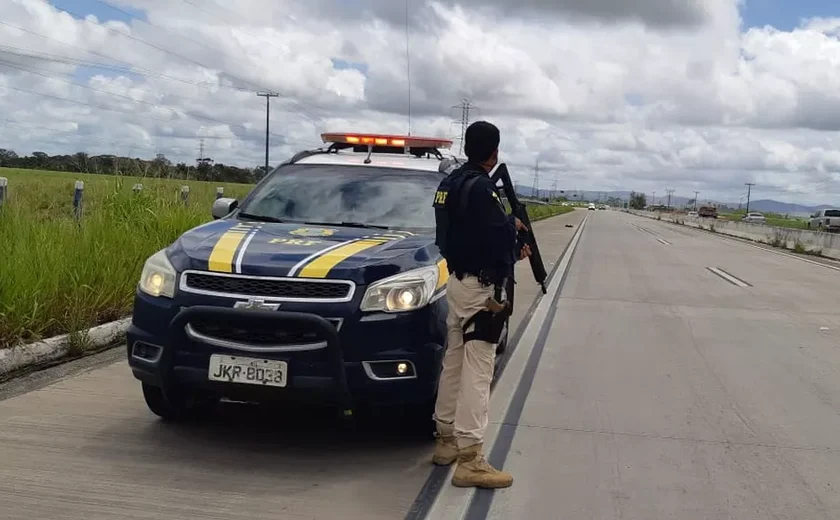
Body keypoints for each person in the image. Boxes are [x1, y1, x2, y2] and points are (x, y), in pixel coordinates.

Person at [431, 121, 530, 489]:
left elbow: (454, 233)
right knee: (478, 368)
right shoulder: (483, 189)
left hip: (456, 281)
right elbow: (494, 238)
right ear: (494, 152)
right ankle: (471, 458)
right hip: (480, 289)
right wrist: (513, 245)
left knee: (453, 361)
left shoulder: (449, 184)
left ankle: (446, 441)